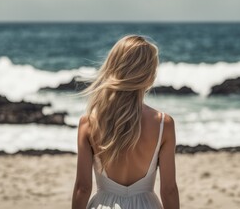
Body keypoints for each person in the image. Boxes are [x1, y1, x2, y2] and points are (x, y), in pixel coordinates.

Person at [72, 35, 180, 209]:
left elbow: (82, 188)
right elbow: (169, 190)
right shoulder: (163, 124)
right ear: (149, 76)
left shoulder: (89, 123)